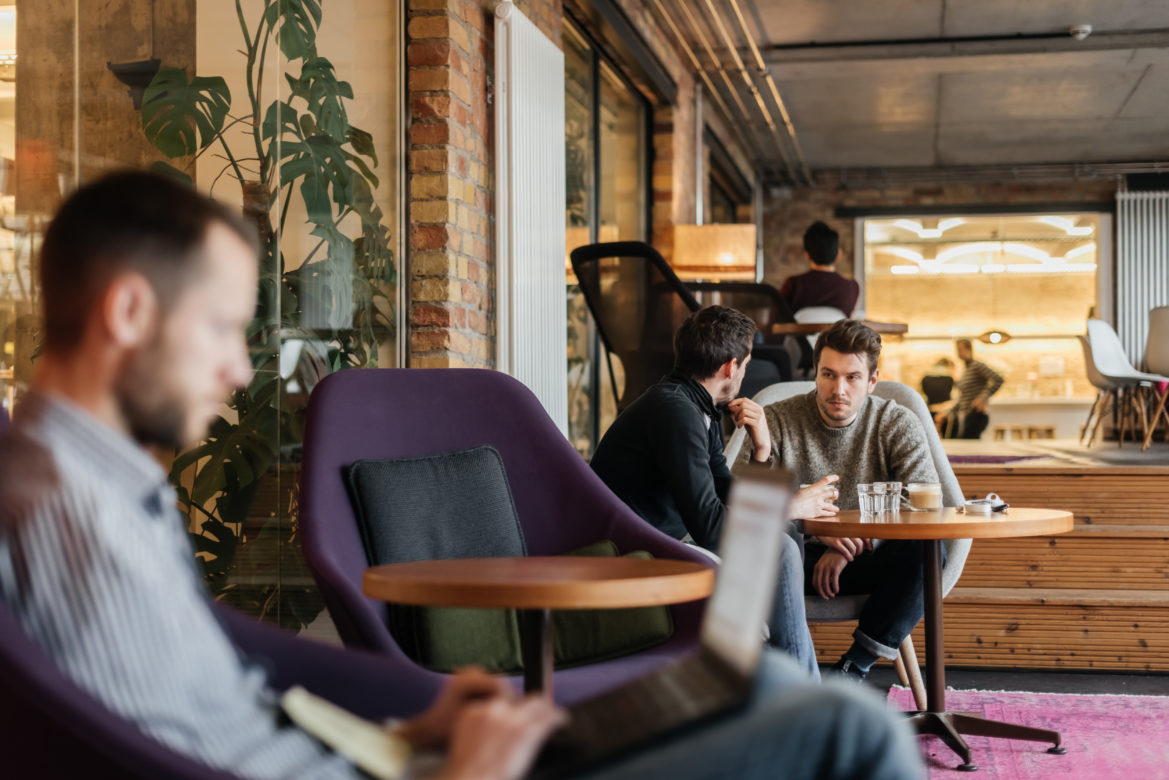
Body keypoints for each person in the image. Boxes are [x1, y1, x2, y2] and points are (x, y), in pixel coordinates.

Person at [0, 172, 923, 780]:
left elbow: (224, 671)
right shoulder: (65, 516)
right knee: (855, 731)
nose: (242, 370)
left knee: (764, 689)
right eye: (219, 329)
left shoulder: (100, 483)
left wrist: (421, 711)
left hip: (403, 757)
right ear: (128, 311)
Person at [590, 305, 835, 679]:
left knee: (782, 536)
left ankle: (778, 671)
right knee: (781, 545)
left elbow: (726, 493)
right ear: (730, 368)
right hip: (631, 550)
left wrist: (762, 452)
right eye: (747, 365)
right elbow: (712, 528)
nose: (744, 373)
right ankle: (802, 693)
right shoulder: (676, 412)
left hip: (659, 538)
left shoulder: (694, 406)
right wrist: (790, 504)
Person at [734, 319, 939, 681]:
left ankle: (854, 665)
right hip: (794, 561)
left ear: (872, 380)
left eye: (852, 377)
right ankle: (787, 676)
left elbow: (924, 505)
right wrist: (815, 531)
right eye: (828, 375)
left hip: (871, 562)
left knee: (929, 549)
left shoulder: (895, 422)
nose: (838, 389)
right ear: (815, 373)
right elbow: (738, 506)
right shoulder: (778, 421)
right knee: (769, 544)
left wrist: (852, 545)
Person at [779, 221, 860, 316]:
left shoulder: (793, 284)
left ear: (807, 255)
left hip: (800, 331)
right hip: (837, 331)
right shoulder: (851, 287)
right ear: (839, 254)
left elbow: (779, 320)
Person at [935, 339, 1004, 440]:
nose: (958, 352)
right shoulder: (966, 370)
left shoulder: (977, 366)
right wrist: (947, 412)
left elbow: (998, 379)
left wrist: (982, 398)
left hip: (975, 415)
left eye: (960, 349)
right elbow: (962, 398)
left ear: (969, 349)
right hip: (965, 416)